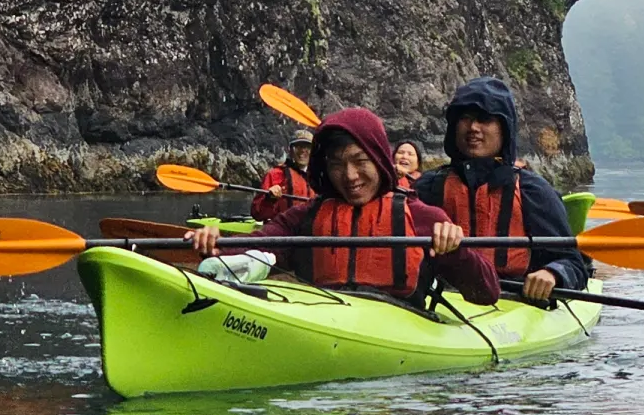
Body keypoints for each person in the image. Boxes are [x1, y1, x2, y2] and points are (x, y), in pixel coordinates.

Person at [190, 108, 498, 305]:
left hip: (399, 340)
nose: (349, 176)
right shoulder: (308, 214)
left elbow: (486, 293)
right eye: (337, 165)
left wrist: (456, 250)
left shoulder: (421, 216)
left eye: (360, 162)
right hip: (326, 319)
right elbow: (262, 242)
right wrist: (216, 244)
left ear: (378, 159)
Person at [409, 76, 588, 305]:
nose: (473, 128)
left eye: (484, 119)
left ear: (504, 130)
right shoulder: (428, 187)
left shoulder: (533, 192)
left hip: (517, 299)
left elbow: (573, 263)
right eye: (465, 118)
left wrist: (553, 273)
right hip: (444, 298)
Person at [252, 129, 315, 221]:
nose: (302, 151)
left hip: (308, 231)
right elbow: (257, 214)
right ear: (290, 150)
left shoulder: (319, 178)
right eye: (298, 146)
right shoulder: (274, 175)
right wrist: (269, 199)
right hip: (283, 231)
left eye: (307, 147)